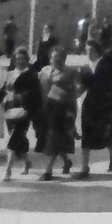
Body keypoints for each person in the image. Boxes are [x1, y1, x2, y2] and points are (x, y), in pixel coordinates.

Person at [78, 31, 112, 177]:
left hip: (105, 104)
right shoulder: (85, 68)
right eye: (86, 50)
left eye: (91, 50)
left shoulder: (106, 64)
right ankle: (84, 167)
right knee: (86, 134)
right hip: (88, 105)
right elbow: (82, 87)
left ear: (97, 50)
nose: (88, 53)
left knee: (107, 133)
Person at [0, 47, 42, 180]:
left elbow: (36, 95)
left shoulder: (32, 75)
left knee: (13, 139)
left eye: (22, 59)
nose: (19, 61)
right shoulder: (10, 74)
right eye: (17, 59)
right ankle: (27, 162)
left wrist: (33, 111)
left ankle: (8, 170)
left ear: (27, 60)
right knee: (17, 139)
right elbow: (3, 91)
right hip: (9, 110)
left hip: (24, 112)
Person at [37, 44, 80, 181]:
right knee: (54, 138)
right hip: (49, 108)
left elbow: (76, 92)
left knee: (54, 138)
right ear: (50, 58)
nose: (56, 60)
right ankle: (66, 161)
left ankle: (48, 171)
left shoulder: (71, 72)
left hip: (63, 108)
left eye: (60, 58)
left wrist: (71, 111)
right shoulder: (45, 70)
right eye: (54, 57)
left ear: (65, 59)